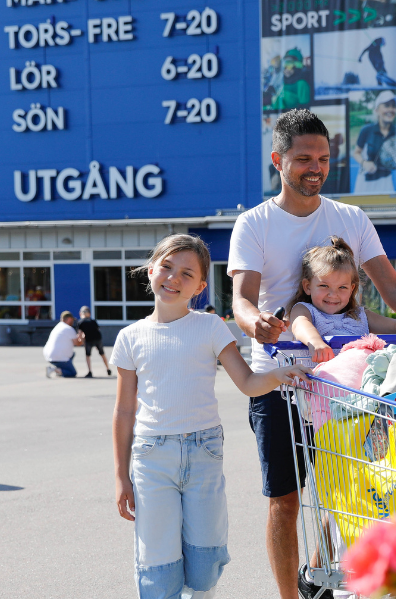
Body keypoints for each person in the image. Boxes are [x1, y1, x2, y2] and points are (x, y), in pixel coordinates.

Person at [228, 108, 396, 599]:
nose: (315, 167)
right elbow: (241, 300)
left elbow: (394, 290)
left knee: (354, 493)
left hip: (351, 387)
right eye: (302, 159)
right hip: (282, 381)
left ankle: (318, 575)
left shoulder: (350, 219)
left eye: (323, 157)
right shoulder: (254, 224)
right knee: (286, 502)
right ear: (278, 160)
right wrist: (260, 325)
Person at [111, 234, 310, 599]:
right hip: (152, 459)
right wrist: (122, 476)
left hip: (204, 453)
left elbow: (249, 382)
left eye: (187, 274)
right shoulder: (129, 337)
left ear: (201, 286)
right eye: (167, 267)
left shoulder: (211, 327)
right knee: (158, 565)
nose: (173, 278)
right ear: (151, 267)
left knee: (204, 567)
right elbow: (125, 410)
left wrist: (280, 374)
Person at [289, 237, 396, 362]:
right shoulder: (305, 309)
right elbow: (300, 325)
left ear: (352, 289)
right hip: (321, 385)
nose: (333, 294)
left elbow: (395, 326)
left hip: (359, 387)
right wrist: (315, 341)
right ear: (307, 286)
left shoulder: (360, 316)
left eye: (342, 288)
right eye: (324, 285)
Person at [351, 90, 396, 196]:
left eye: (393, 106)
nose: (391, 109)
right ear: (377, 110)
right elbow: (356, 152)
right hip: (365, 182)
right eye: (387, 106)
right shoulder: (366, 130)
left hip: (386, 182)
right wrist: (365, 163)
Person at [43, 311, 85, 378]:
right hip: (58, 357)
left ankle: (60, 369)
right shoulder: (69, 329)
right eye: (72, 320)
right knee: (72, 373)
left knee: (72, 354)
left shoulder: (58, 326)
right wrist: (83, 337)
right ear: (69, 319)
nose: (73, 322)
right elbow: (78, 343)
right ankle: (55, 370)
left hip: (48, 355)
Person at [76, 306, 110, 378]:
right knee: (102, 353)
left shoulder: (80, 322)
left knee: (88, 355)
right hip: (98, 339)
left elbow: (80, 334)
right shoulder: (93, 321)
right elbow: (98, 330)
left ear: (80, 314)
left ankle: (90, 371)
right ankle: (108, 368)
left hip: (88, 340)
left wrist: (81, 341)